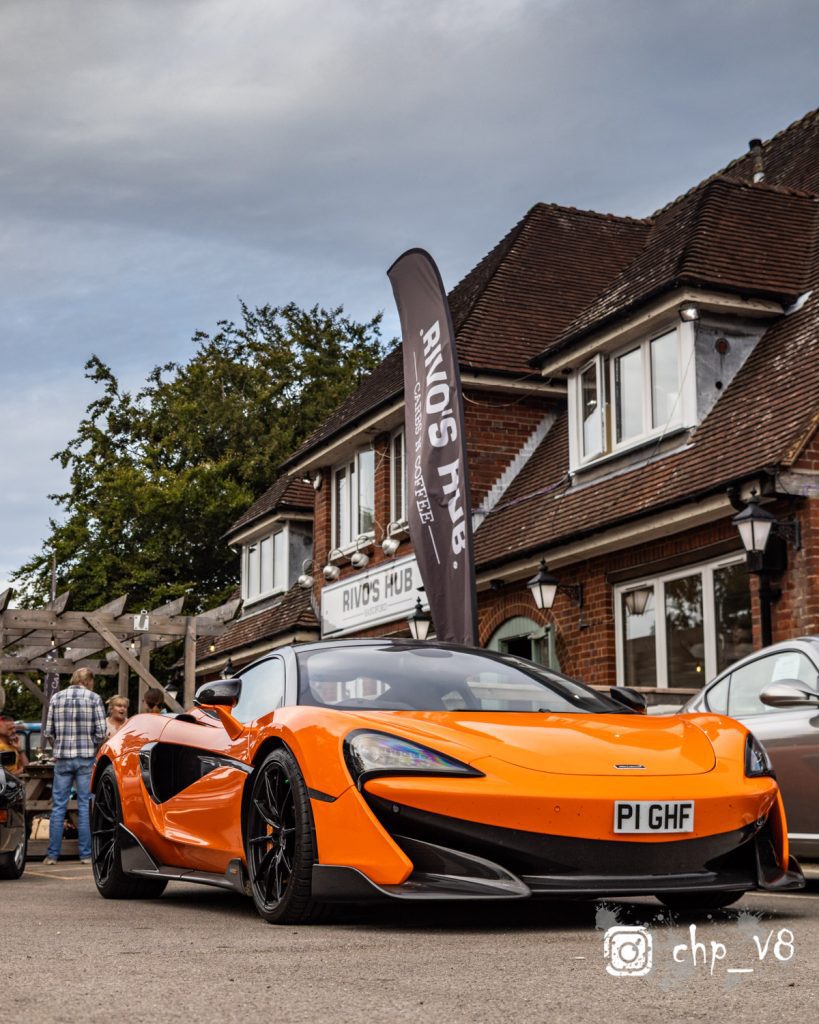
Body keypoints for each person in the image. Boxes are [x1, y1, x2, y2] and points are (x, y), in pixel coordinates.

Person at [42, 667, 107, 865]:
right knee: (84, 806)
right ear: (88, 681)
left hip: (62, 758)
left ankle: (52, 855)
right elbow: (101, 731)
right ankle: (86, 855)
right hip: (85, 757)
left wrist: (58, 748)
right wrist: (92, 745)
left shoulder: (57, 698)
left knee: (58, 806)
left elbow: (48, 731)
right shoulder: (94, 698)